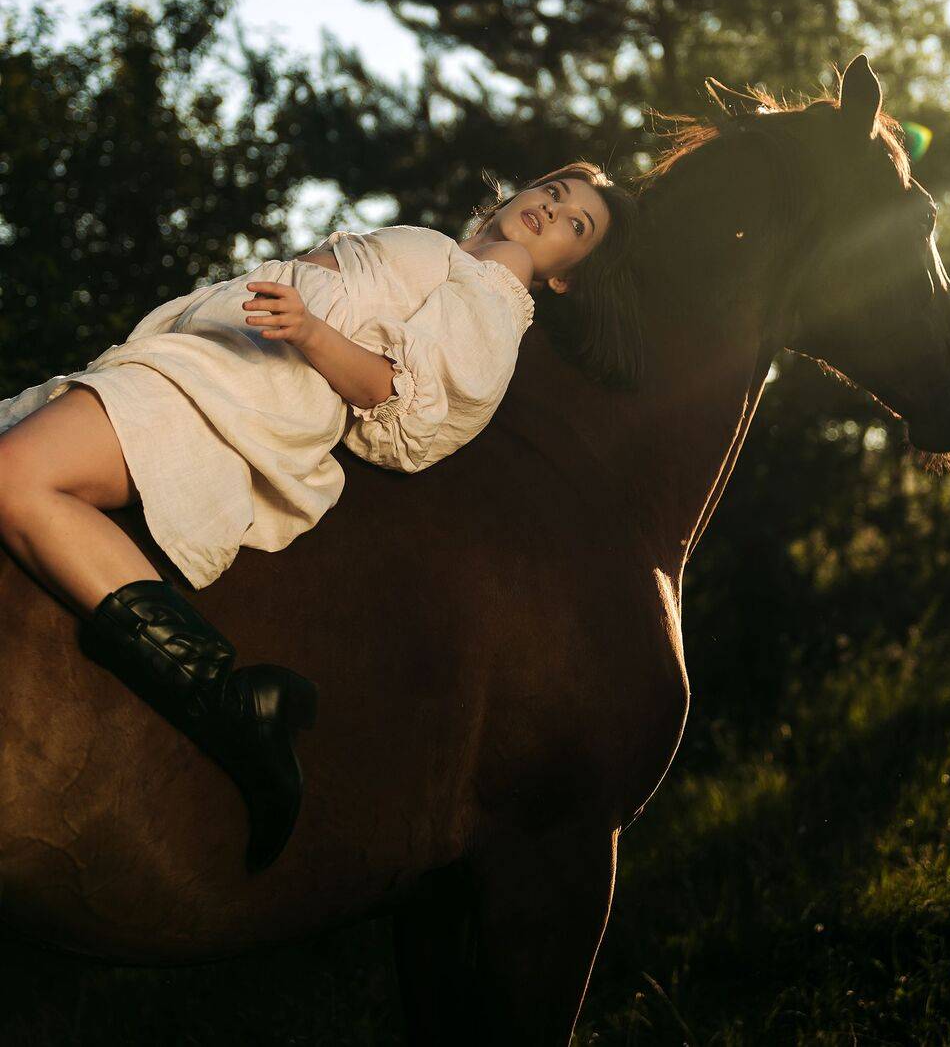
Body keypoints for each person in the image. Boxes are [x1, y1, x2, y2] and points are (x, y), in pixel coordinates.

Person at [0, 160, 642, 870]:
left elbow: (404, 400)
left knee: (12, 475)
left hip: (247, 390)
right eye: (553, 192)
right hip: (207, 362)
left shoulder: (497, 278)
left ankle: (228, 704)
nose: (551, 211)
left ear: (566, 278)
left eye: (575, 224)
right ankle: (231, 702)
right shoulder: (453, 257)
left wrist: (309, 331)